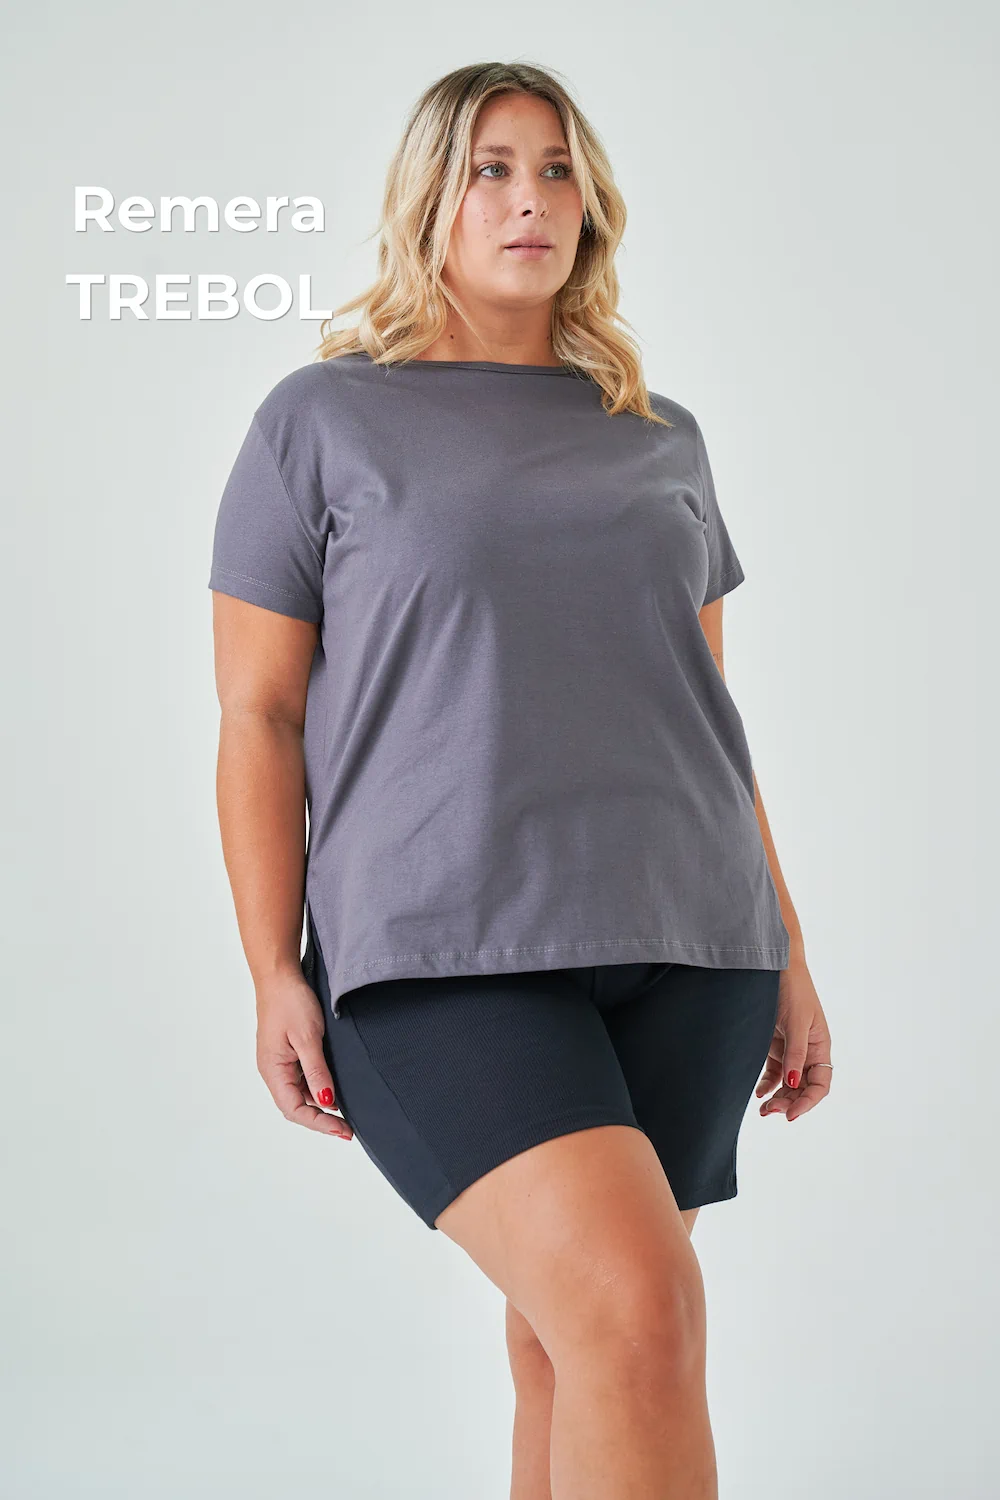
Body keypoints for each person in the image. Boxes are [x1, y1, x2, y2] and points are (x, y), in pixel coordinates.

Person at [208, 59, 833, 1500]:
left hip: (689, 939)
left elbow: (703, 711)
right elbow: (259, 715)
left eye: (556, 170)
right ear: (429, 197)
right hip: (441, 953)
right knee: (639, 1318)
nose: (528, 199)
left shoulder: (661, 434)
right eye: (489, 168)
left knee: (574, 1347)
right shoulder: (320, 420)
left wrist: (790, 948)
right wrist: (272, 969)